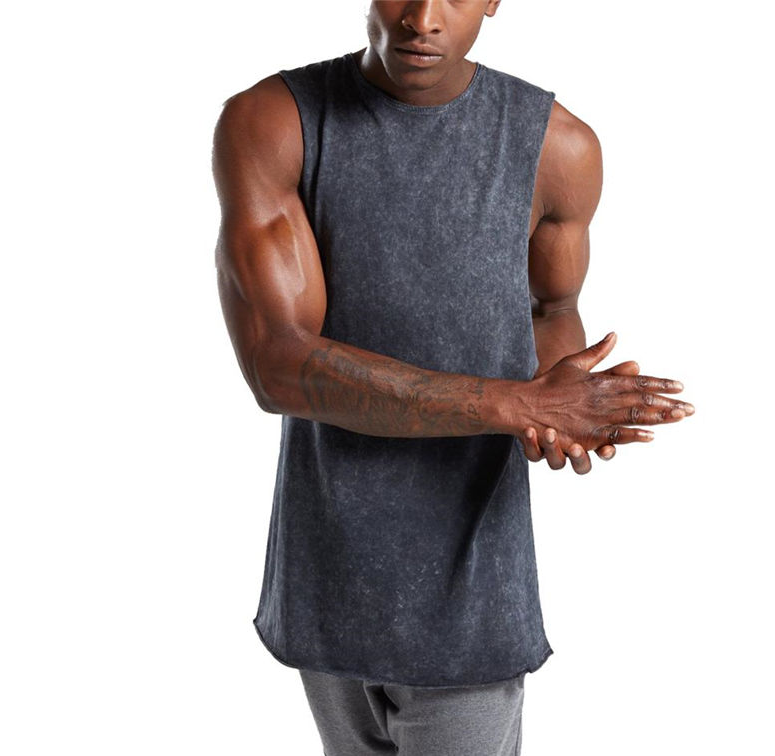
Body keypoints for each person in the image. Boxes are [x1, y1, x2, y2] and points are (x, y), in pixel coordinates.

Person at [212, 2, 695, 753]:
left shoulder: (559, 148)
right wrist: (516, 403)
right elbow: (278, 364)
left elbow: (553, 306)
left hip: (473, 583)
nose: (424, 18)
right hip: (327, 566)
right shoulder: (274, 124)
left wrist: (556, 402)